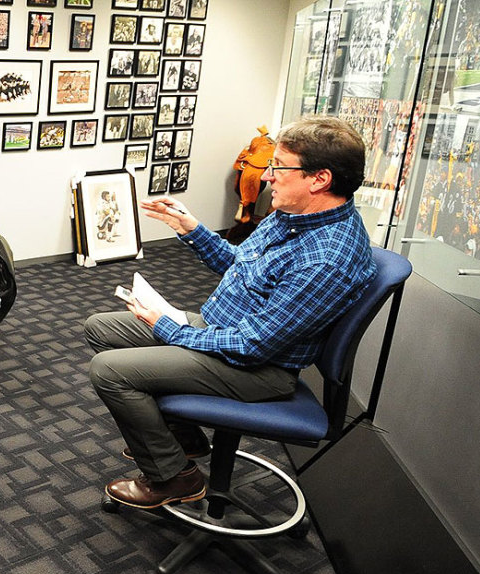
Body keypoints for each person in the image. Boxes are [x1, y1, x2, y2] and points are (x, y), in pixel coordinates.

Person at [85, 116, 376, 509]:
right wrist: (191, 228)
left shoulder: (327, 258)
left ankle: (172, 476)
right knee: (101, 328)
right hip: (225, 330)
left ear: (318, 179)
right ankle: (184, 438)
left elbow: (254, 346)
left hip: (256, 368)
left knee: (109, 371)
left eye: (280, 167)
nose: (268, 176)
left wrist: (170, 328)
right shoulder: (294, 213)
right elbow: (242, 263)